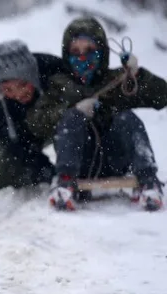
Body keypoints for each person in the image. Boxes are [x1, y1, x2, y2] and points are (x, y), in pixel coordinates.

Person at [27, 17, 166, 211]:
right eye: (76, 52)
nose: (82, 57)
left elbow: (162, 95)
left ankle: (148, 180)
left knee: (126, 117)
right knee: (71, 118)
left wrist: (137, 76)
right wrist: (72, 110)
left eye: (90, 51)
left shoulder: (117, 80)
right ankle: (65, 181)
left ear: (102, 52)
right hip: (78, 161)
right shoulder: (59, 85)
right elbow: (36, 122)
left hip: (114, 158)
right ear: (67, 55)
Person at [0, 40, 67, 192]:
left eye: (23, 85)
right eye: (8, 90)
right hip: (28, 134)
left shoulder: (54, 70)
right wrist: (44, 169)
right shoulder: (0, 101)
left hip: (60, 124)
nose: (18, 94)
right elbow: (11, 142)